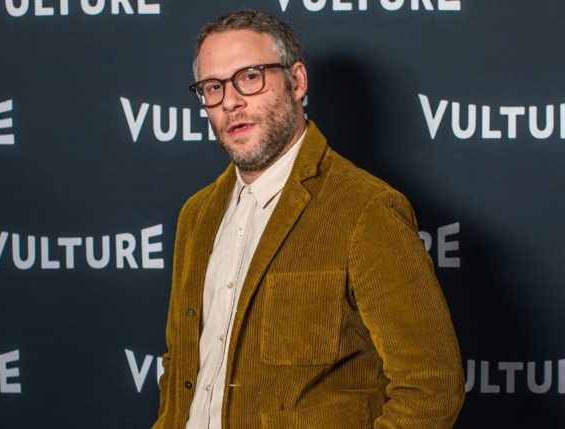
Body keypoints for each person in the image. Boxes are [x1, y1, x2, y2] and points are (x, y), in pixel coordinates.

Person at [153, 10, 464, 429]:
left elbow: (431, 386)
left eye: (249, 77)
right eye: (213, 87)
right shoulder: (197, 215)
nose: (230, 101)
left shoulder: (366, 209)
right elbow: (182, 366)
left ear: (296, 81)